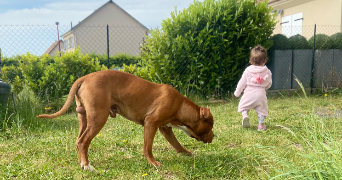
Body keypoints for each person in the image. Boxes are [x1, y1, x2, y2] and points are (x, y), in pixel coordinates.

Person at [234, 45, 272, 131]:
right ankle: (261, 126)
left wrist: (237, 92)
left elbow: (242, 83)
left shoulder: (248, 70)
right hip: (261, 94)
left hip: (249, 93)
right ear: (264, 60)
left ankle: (245, 115)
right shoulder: (267, 71)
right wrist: (265, 87)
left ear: (251, 60)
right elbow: (269, 83)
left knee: (244, 106)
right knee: (261, 110)